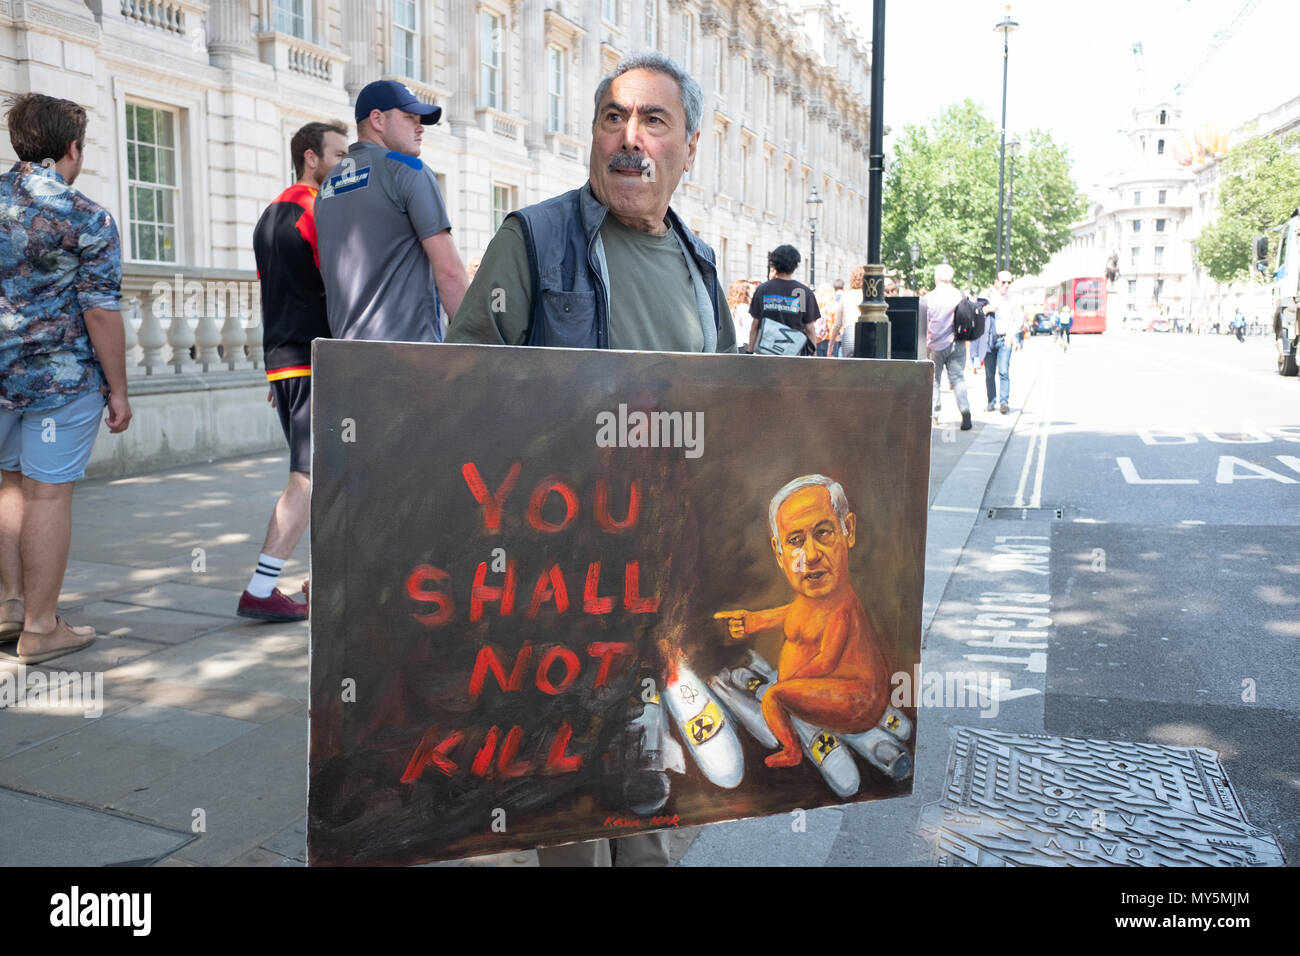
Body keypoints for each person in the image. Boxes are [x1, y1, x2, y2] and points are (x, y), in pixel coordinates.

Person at [448, 52, 735, 865]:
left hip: (658, 575)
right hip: (557, 571)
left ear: (688, 146)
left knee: (649, 788)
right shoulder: (534, 240)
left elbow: (725, 421)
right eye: (614, 117)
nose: (629, 138)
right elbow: (457, 395)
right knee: (565, 797)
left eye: (653, 120)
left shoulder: (701, 268)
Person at [0, 93, 131, 662]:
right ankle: (40, 626)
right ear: (72, 147)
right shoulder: (87, 217)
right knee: (47, 496)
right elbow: (101, 311)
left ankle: (8, 605)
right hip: (59, 381)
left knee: (6, 486)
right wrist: (119, 390)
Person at [236, 121, 349, 622]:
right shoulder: (316, 210)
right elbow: (343, 288)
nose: (345, 164)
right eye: (339, 154)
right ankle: (262, 587)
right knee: (307, 476)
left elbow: (272, 295)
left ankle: (326, 579)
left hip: (285, 364)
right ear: (310, 158)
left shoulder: (266, 217)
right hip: (313, 361)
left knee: (327, 475)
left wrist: (275, 371)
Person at [713, 475, 889, 767]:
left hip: (856, 701)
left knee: (773, 697)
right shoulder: (809, 603)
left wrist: (786, 687)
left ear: (849, 531)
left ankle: (791, 750)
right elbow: (792, 615)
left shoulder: (842, 607)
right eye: (795, 541)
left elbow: (827, 662)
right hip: (817, 697)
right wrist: (752, 622)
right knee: (775, 693)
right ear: (779, 553)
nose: (810, 555)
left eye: (823, 533)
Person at [315, 80, 469, 342]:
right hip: (408, 357)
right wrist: (481, 352)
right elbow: (450, 273)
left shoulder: (328, 185)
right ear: (377, 119)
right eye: (409, 117)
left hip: (346, 357)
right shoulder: (408, 169)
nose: (420, 128)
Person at [922, 264, 972, 430]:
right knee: (958, 379)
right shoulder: (960, 295)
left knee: (934, 381)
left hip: (935, 345)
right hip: (957, 342)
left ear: (936, 278)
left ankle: (934, 415)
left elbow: (925, 323)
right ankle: (965, 411)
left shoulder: (930, 297)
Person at [748, 245, 818, 355]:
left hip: (766, 353)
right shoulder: (803, 293)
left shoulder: (762, 290)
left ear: (774, 264)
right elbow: (809, 328)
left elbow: (755, 325)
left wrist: (749, 351)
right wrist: (813, 355)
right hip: (793, 354)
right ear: (795, 265)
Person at [973, 270, 1020, 414]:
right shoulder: (987, 295)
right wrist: (986, 309)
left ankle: (1004, 402)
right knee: (989, 373)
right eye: (1003, 282)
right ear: (996, 282)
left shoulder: (1014, 298)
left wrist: (1011, 335)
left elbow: (1019, 318)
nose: (1006, 285)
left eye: (1009, 282)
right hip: (988, 339)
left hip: (1005, 338)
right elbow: (975, 312)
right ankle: (991, 401)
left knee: (1003, 371)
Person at [727, 279, 752, 352]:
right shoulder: (744, 307)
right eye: (749, 289)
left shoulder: (729, 306)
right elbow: (748, 328)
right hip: (744, 344)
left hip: (732, 344)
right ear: (745, 291)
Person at [826, 278, 850, 358]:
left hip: (834, 333)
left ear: (834, 288)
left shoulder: (830, 299)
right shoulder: (847, 297)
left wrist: (830, 344)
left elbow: (835, 323)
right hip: (846, 332)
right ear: (843, 287)